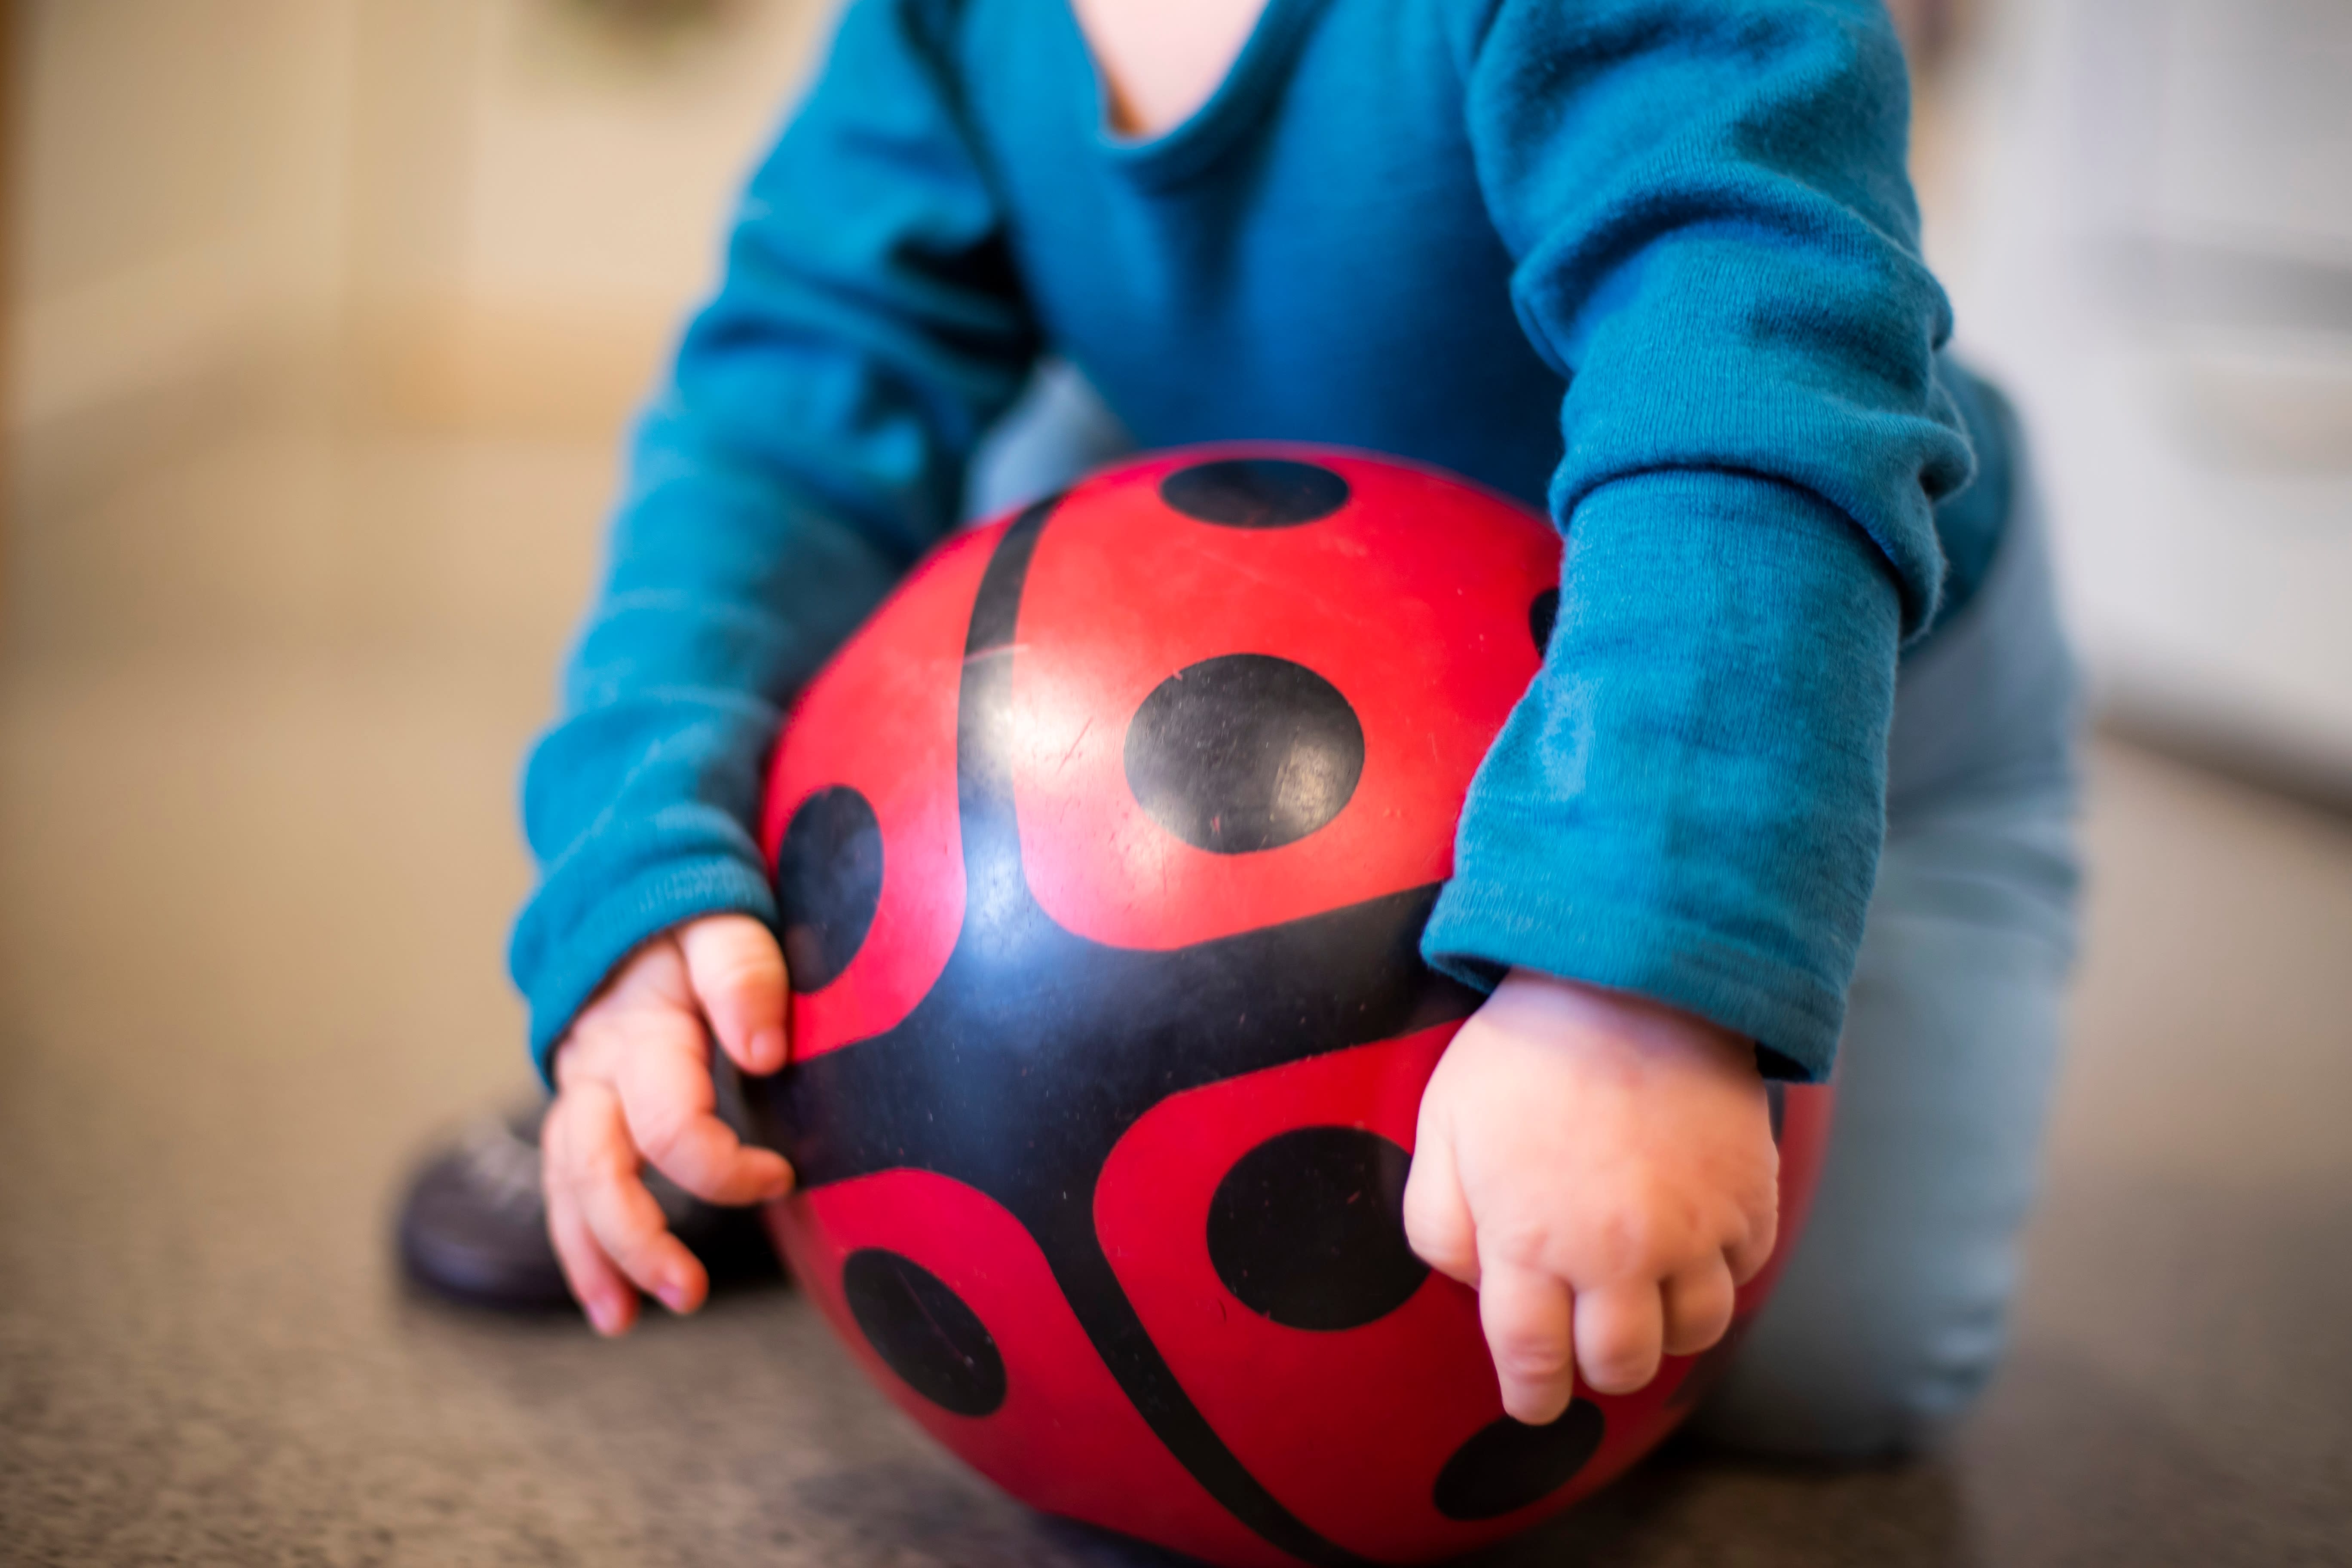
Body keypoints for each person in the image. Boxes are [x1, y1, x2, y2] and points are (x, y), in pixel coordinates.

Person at [401, 0, 2078, 1460]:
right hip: (1312, 569)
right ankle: (776, 1082)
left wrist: (1639, 993)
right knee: (1017, 498)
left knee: (1812, 1379)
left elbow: (1753, 372)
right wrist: (650, 858)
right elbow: (787, 427)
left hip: (1825, 669)